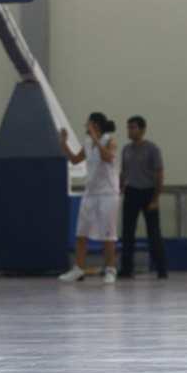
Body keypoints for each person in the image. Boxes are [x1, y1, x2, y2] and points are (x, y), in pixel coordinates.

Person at [59, 113, 120, 284]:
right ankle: (78, 268)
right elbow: (75, 159)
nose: (85, 125)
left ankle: (110, 269)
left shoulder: (110, 140)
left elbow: (107, 157)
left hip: (108, 194)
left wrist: (96, 139)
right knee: (81, 233)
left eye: (88, 123)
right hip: (90, 193)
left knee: (108, 235)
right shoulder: (86, 143)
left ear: (95, 125)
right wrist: (63, 143)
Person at [118, 116, 168, 279]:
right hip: (131, 192)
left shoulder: (152, 149)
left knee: (153, 233)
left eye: (133, 127)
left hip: (148, 192)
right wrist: (120, 187)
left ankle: (161, 269)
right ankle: (126, 269)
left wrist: (155, 198)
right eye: (128, 127)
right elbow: (124, 172)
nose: (130, 131)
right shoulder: (126, 149)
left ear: (142, 129)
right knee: (127, 232)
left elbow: (159, 174)